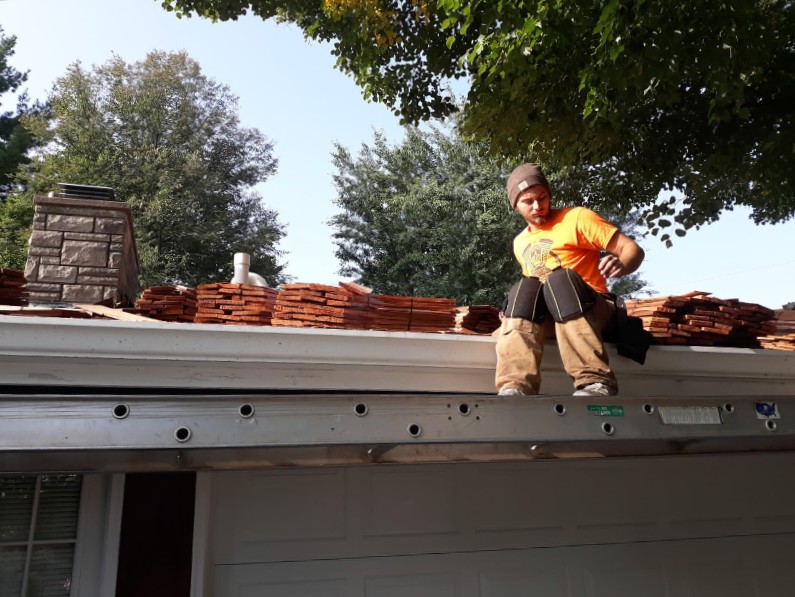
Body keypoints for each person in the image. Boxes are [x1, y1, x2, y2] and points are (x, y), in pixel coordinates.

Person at [496, 163, 645, 397]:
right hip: (553, 319)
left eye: (542, 198)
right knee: (525, 289)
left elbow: (631, 249)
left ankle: (594, 382)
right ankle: (515, 387)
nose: (538, 206)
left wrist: (623, 263)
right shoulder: (520, 242)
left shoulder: (577, 218)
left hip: (593, 310)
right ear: (515, 205)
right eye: (528, 202)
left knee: (559, 281)